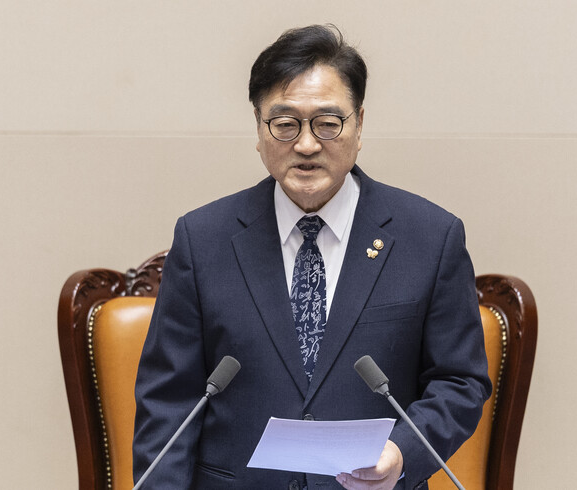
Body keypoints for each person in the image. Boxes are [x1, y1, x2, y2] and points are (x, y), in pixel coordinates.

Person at [133, 24, 491, 490]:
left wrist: (402, 452)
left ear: (359, 125)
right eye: (285, 124)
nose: (306, 144)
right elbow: (169, 402)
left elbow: (460, 382)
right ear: (259, 128)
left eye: (328, 123)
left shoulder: (430, 237)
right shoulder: (204, 240)